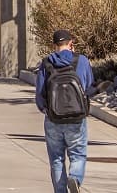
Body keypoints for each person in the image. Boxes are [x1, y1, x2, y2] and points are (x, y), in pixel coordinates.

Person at [35, 29, 94, 193]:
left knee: (56, 159)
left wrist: (45, 109)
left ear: (54, 45)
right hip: (76, 118)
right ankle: (74, 178)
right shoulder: (81, 61)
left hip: (53, 118)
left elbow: (40, 95)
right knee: (78, 155)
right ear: (71, 44)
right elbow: (89, 87)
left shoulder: (46, 63)